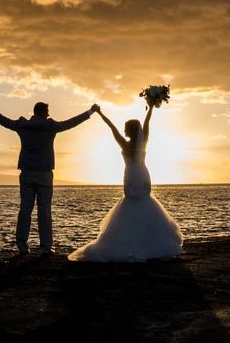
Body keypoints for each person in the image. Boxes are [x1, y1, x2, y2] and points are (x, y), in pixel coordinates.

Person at [67, 100, 183, 262]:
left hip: (131, 175)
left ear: (129, 131)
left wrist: (100, 114)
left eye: (126, 128)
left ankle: (132, 240)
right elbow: (146, 123)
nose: (124, 130)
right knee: (144, 203)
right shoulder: (143, 142)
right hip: (142, 174)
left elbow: (112, 128)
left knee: (132, 204)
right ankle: (145, 241)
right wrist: (150, 109)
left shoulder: (125, 144)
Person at [0, 96, 98, 256]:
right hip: (44, 173)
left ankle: (22, 245)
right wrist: (90, 111)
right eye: (47, 112)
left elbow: (4, 121)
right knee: (44, 211)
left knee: (25, 210)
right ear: (43, 112)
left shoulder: (23, 125)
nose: (49, 115)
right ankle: (45, 247)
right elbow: (70, 123)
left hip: (27, 173)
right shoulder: (50, 126)